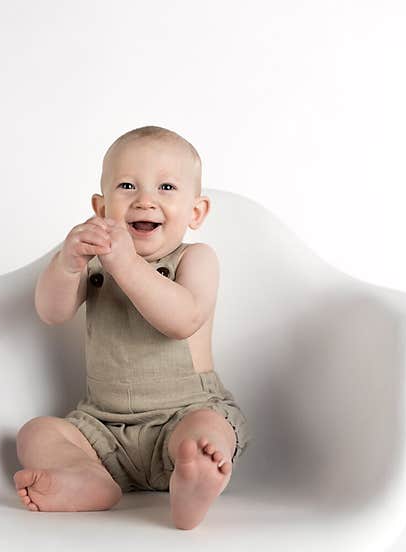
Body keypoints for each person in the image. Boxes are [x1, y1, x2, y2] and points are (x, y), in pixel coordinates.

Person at [14, 126, 251, 530]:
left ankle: (193, 480)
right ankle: (90, 480)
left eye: (166, 187)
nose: (145, 200)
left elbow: (182, 320)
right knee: (35, 434)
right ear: (101, 207)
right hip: (103, 428)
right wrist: (67, 264)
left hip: (182, 414)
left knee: (209, 432)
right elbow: (52, 312)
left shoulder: (195, 259)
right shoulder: (93, 261)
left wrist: (125, 263)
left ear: (196, 212)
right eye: (127, 186)